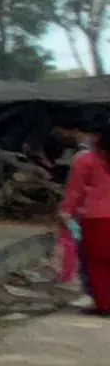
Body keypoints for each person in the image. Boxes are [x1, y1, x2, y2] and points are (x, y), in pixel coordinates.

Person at [64, 127, 110, 314]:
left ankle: (104, 304)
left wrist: (66, 212)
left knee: (97, 263)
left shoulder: (86, 160)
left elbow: (75, 189)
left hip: (96, 217)